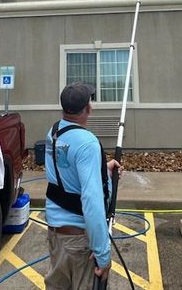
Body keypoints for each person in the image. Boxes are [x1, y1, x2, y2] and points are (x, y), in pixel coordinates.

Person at [44, 82, 121, 290]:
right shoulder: (87, 143)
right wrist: (103, 256)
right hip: (78, 241)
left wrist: (102, 169)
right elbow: (91, 201)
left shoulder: (53, 133)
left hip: (55, 234)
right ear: (88, 108)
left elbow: (64, 170)